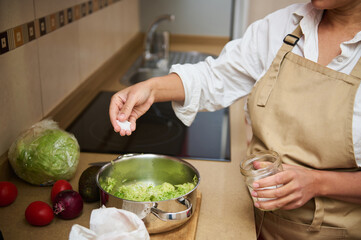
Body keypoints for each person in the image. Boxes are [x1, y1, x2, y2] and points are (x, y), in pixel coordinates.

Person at [109, 0, 361, 238]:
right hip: (253, 222)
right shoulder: (286, 25)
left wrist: (318, 183)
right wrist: (151, 89)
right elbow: (217, 76)